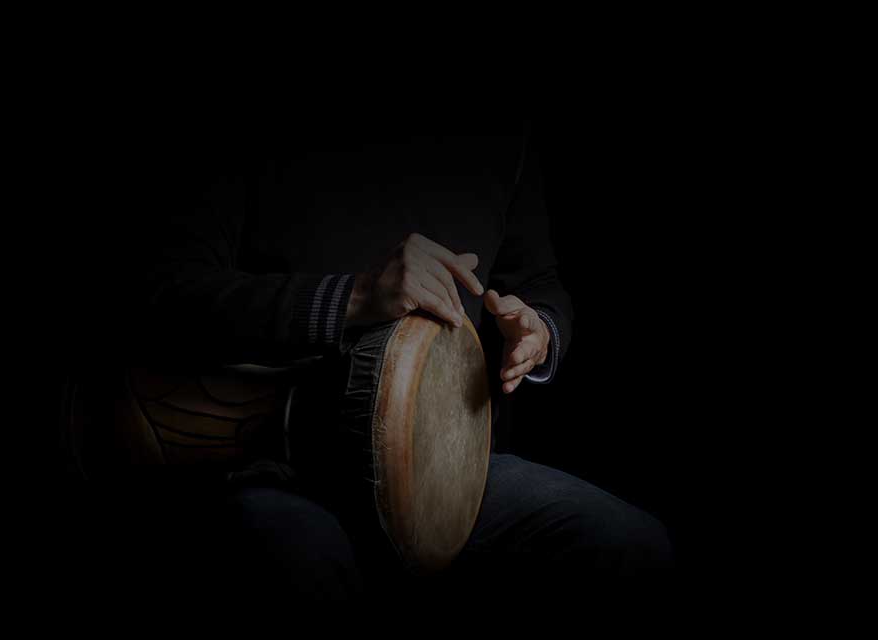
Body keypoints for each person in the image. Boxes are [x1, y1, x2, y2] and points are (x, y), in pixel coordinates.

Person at [119, 124, 671, 604]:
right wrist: (353, 297)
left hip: (448, 478)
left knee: (633, 546)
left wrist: (539, 329)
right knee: (298, 562)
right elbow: (161, 291)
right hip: (273, 461)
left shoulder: (506, 132)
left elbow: (539, 282)